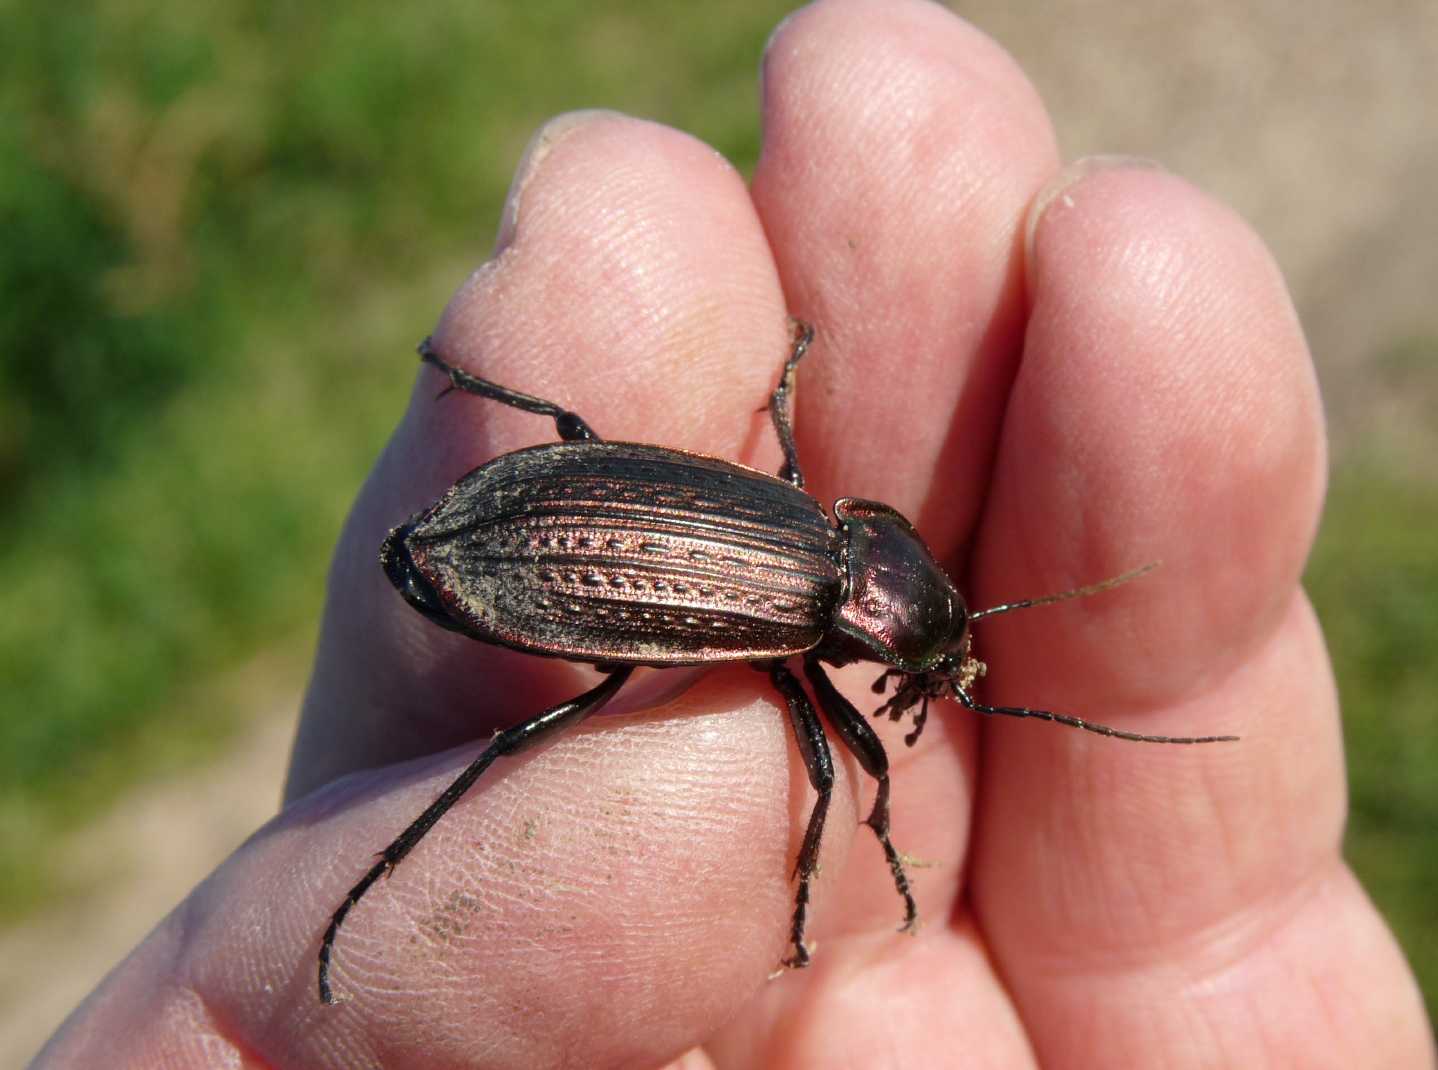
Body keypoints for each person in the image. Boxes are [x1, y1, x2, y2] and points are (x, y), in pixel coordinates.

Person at [35, 1, 1434, 1066]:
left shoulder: (819, 521)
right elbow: (837, 781)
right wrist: (872, 834)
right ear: (877, 616)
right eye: (930, 654)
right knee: (617, 746)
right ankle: (383, 880)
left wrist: (772, 400)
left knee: (576, 450)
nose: (927, 675)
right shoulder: (804, 620)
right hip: (511, 555)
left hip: (532, 520)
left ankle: (383, 843)